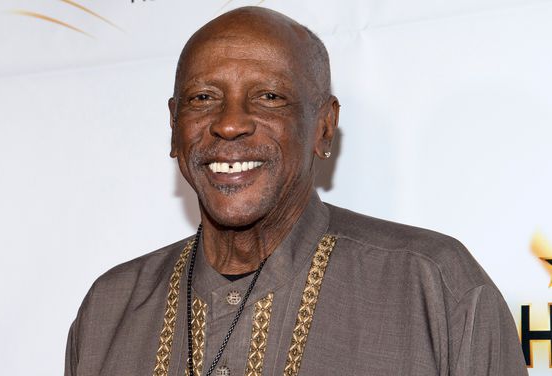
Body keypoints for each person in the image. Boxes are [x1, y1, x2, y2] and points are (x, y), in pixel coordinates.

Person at [65, 6, 528, 376]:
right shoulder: (111, 307)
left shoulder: (434, 287)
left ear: (324, 127)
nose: (228, 123)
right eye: (203, 97)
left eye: (269, 97)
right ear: (173, 127)